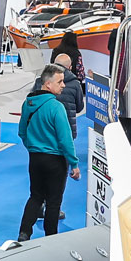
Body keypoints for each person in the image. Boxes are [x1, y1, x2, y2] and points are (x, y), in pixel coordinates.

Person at [18, 65, 80, 241]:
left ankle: (24, 232)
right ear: (48, 84)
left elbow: (22, 131)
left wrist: (33, 147)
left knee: (35, 196)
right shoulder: (56, 107)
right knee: (54, 202)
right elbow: (65, 139)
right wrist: (74, 164)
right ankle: (50, 239)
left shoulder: (28, 104)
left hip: (35, 158)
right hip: (55, 161)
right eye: (60, 82)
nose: (63, 85)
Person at [31, 52, 85, 138]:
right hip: (67, 130)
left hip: (43, 130)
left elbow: (32, 103)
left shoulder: (40, 81)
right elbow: (79, 107)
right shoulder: (76, 84)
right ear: (70, 67)